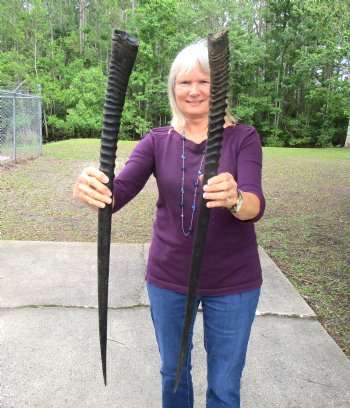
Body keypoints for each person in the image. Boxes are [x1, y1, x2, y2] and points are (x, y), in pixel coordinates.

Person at [73, 39, 265, 408]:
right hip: (169, 279)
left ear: (220, 86)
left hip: (234, 282)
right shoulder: (156, 141)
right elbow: (118, 193)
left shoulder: (244, 138)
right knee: (173, 374)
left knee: (225, 383)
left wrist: (235, 197)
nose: (194, 91)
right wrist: (93, 186)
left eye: (205, 81)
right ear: (173, 89)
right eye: (184, 82)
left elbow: (254, 205)